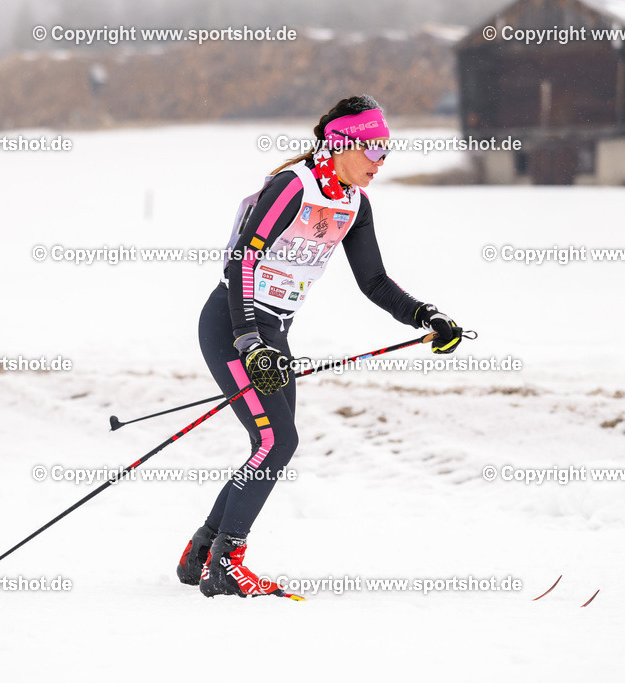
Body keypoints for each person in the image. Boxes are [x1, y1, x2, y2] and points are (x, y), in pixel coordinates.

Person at [176, 94, 466, 598]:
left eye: (386, 151)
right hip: (232, 324)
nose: (381, 162)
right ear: (342, 144)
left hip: (274, 333)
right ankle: (225, 564)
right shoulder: (294, 186)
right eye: (374, 150)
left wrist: (426, 315)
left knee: (271, 443)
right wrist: (249, 343)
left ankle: (203, 550)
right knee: (276, 443)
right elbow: (241, 262)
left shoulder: (354, 203)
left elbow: (374, 281)